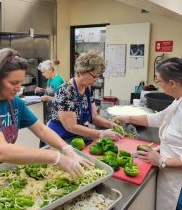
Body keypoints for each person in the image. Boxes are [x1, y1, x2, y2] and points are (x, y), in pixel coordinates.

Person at [0, 48, 93, 193]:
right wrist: (55, 157)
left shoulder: (14, 102)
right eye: (13, 83)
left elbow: (41, 129)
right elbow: (1, 151)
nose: (18, 88)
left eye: (20, 82)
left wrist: (66, 149)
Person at [116, 57, 182, 210]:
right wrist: (127, 117)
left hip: (179, 185)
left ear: (172, 83)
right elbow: (157, 119)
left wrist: (161, 160)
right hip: (169, 179)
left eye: (159, 81)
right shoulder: (178, 101)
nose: (158, 85)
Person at [47, 50, 123, 145]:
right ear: (80, 72)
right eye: (93, 76)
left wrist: (111, 124)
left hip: (77, 136)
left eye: (98, 77)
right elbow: (71, 126)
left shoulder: (88, 89)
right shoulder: (66, 91)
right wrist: (101, 133)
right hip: (59, 138)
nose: (95, 80)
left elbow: (94, 117)